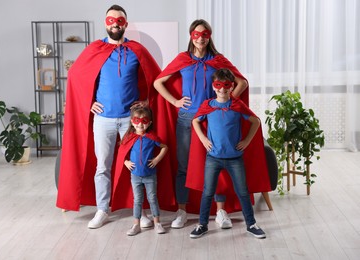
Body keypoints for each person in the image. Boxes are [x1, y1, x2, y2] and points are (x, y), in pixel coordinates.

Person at [56, 5, 164, 229]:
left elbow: (155, 78)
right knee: (102, 166)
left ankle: (139, 211)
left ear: (125, 23)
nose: (115, 23)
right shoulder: (95, 49)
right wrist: (88, 102)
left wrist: (145, 101)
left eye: (120, 20)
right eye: (111, 20)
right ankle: (102, 209)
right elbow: (76, 76)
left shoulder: (137, 50)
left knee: (135, 165)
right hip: (103, 119)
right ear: (106, 23)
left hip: (131, 121)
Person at [154, 19, 249, 229]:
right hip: (187, 118)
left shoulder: (218, 59)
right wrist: (175, 101)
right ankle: (182, 211)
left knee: (218, 164)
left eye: (204, 34)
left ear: (210, 36)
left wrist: (225, 100)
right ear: (191, 36)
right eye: (196, 34)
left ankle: (221, 210)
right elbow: (158, 82)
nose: (201, 38)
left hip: (214, 119)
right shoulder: (183, 59)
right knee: (183, 165)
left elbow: (242, 82)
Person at [189, 68, 266, 239]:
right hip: (213, 158)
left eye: (226, 86)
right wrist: (202, 139)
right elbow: (195, 120)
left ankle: (251, 224)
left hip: (234, 158)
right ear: (213, 86)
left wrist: (246, 141)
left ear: (232, 87)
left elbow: (255, 121)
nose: (222, 89)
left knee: (243, 191)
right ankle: (202, 225)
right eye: (218, 85)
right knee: (208, 191)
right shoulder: (208, 106)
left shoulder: (237, 106)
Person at [118, 107, 168, 236]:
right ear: (132, 122)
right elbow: (121, 152)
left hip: (150, 175)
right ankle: (136, 224)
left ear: (149, 122)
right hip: (135, 175)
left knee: (152, 198)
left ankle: (157, 223)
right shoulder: (129, 137)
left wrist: (157, 159)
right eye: (137, 120)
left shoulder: (152, 137)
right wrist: (126, 162)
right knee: (137, 200)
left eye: (144, 120)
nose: (140, 124)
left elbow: (164, 147)